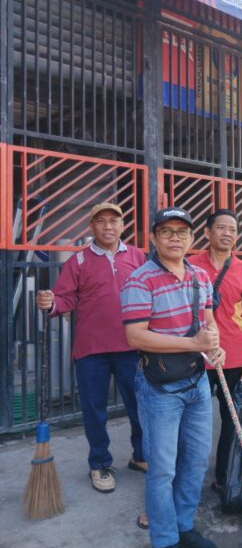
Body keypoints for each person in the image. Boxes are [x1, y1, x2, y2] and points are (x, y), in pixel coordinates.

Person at [122, 207, 223, 548]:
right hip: (159, 387)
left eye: (182, 231)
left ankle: (184, 526)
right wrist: (192, 344)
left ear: (192, 238)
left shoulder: (200, 278)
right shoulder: (140, 279)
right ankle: (163, 542)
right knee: (163, 468)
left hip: (197, 382)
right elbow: (135, 337)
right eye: (167, 231)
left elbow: (209, 323)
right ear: (153, 238)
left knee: (196, 460)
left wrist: (215, 346)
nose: (175, 237)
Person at [35, 202, 146, 494]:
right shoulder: (78, 261)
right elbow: (64, 300)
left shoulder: (137, 256)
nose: (108, 226)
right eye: (101, 221)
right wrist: (51, 304)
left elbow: (152, 294)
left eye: (114, 221)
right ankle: (99, 463)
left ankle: (141, 455)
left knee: (141, 406)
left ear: (123, 226)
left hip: (132, 346)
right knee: (94, 410)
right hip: (91, 349)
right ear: (92, 227)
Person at [189, 210, 242, 496]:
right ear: (207, 233)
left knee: (232, 420)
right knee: (189, 422)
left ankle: (225, 476)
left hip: (233, 357)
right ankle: (187, 482)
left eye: (232, 229)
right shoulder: (189, 265)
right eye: (220, 228)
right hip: (194, 356)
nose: (227, 233)